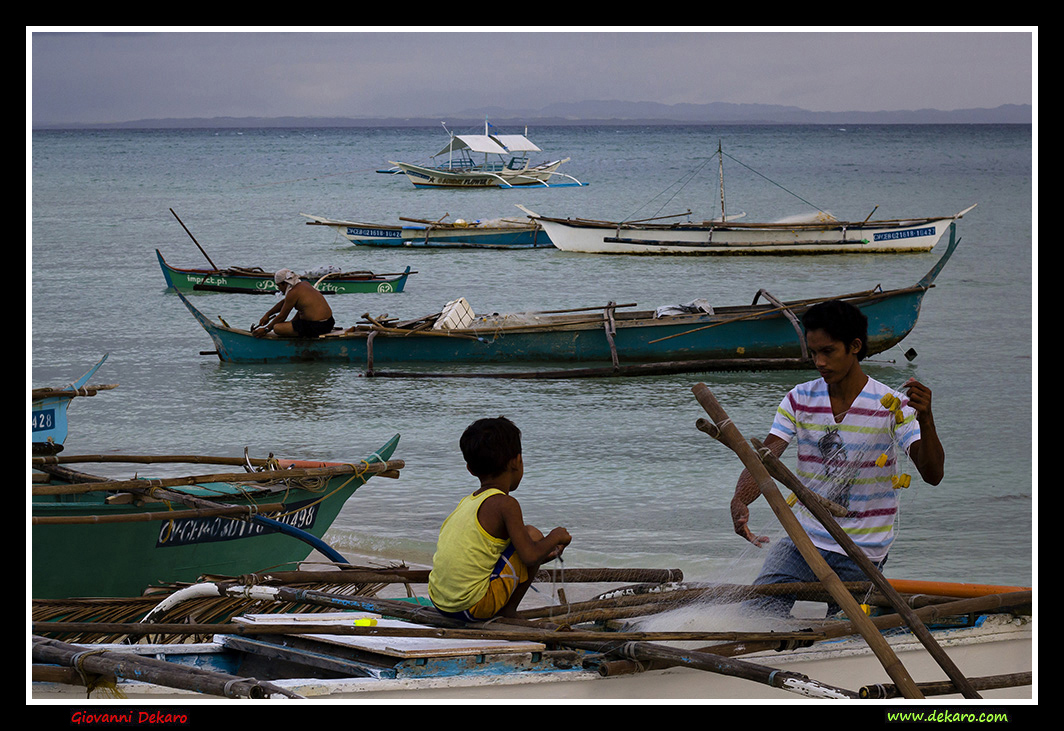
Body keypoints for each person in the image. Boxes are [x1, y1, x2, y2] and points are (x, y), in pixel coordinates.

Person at [730, 299, 945, 616]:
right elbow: (765, 456)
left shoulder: (892, 404)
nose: (818, 361)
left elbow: (932, 473)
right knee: (758, 611)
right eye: (813, 352)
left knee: (847, 629)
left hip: (863, 550)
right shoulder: (799, 398)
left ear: (855, 346)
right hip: (804, 541)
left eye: (828, 351)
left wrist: (926, 420)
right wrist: (741, 499)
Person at [428, 417, 572, 621]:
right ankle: (508, 611)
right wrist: (555, 537)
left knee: (528, 541)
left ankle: (503, 608)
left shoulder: (467, 502)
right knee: (532, 534)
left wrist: (542, 552)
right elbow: (530, 556)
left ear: (470, 469)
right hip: (471, 607)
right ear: (517, 461)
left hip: (440, 601)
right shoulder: (506, 504)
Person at [253, 269, 334, 338]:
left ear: (284, 283)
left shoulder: (293, 293)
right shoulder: (304, 284)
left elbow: (282, 316)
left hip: (318, 327)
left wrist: (266, 329)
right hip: (329, 323)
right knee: (299, 314)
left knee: (277, 328)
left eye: (279, 286)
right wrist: (268, 314)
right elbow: (284, 302)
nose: (279, 289)